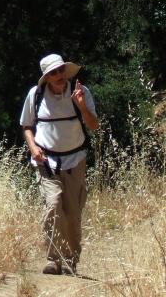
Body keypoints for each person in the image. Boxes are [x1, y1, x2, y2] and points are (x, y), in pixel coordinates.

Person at [20, 54, 99, 276]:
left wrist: (81, 105)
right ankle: (54, 259)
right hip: (47, 162)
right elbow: (27, 126)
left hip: (75, 160)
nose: (60, 75)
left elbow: (93, 126)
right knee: (53, 206)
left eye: (61, 70)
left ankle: (71, 260)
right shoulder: (35, 96)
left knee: (73, 213)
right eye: (54, 73)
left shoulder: (80, 92)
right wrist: (33, 148)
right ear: (46, 77)